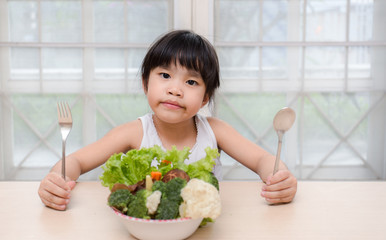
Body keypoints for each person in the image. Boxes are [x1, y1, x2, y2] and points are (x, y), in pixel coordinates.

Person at [38, 30, 297, 211]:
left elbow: (264, 160)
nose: (175, 89)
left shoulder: (215, 131)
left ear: (205, 97)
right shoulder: (133, 132)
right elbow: (76, 161)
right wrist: (57, 181)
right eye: (164, 75)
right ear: (145, 83)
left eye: (191, 81)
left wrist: (280, 177)